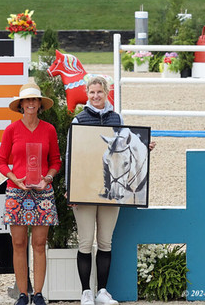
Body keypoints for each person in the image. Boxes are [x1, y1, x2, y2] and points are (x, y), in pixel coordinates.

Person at [68, 76, 156, 305]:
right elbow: (72, 156)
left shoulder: (118, 119)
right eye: (92, 92)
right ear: (87, 93)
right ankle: (86, 292)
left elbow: (126, 150)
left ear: (106, 92)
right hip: (85, 190)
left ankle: (102, 292)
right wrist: (72, 189)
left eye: (99, 92)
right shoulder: (78, 120)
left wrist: (144, 146)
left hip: (113, 191)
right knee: (86, 242)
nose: (95, 96)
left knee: (106, 242)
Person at [0, 83, 61, 305]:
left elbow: (55, 161)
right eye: (27, 100)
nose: (31, 103)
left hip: (43, 192)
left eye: (35, 99)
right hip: (17, 192)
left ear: (40, 103)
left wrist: (48, 178)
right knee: (19, 243)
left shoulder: (49, 129)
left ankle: (39, 294)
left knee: (40, 243)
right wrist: (14, 178)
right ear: (21, 105)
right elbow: (0, 161)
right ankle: (23, 294)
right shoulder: (11, 130)